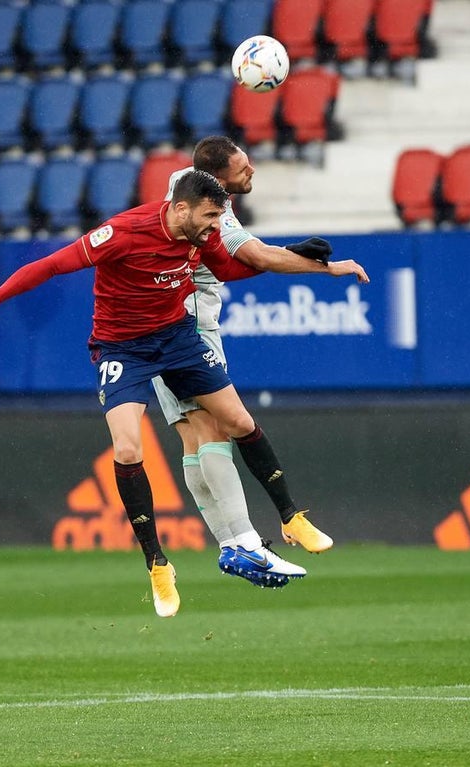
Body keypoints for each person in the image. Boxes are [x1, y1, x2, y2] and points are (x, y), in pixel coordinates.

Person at [0, 170, 345, 617]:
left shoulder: (201, 233)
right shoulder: (122, 232)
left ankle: (291, 515)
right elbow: (53, 264)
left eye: (219, 216)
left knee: (238, 422)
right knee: (127, 447)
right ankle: (157, 563)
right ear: (181, 208)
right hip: (123, 348)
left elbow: (229, 268)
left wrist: (302, 260)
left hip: (178, 340)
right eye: (211, 215)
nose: (217, 225)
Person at [154, 136, 370, 588]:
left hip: (160, 323)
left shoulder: (183, 186)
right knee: (219, 428)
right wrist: (328, 268)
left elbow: (246, 250)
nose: (252, 172)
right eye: (243, 167)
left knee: (193, 440)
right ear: (218, 177)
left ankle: (229, 545)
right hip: (190, 324)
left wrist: (288, 249)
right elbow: (254, 256)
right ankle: (251, 541)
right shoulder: (214, 208)